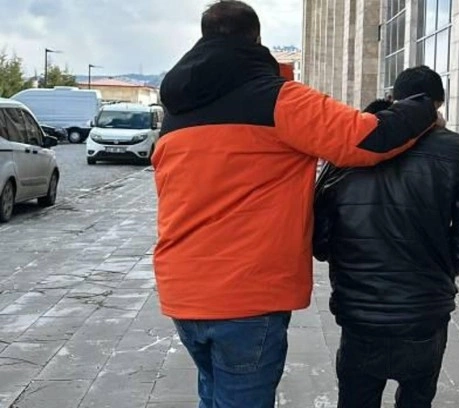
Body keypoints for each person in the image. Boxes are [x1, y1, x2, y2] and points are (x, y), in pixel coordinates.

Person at [152, 2, 440, 407]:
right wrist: (424, 108)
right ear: (256, 39)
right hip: (245, 294)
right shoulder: (278, 100)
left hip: (183, 291)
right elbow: (368, 139)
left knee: (214, 395)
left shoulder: (176, 112)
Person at [314, 66, 459, 408]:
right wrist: (436, 268)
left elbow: (319, 238)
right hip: (424, 312)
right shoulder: (458, 151)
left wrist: (353, 266)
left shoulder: (351, 147)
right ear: (436, 106)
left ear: (393, 99)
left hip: (360, 311)